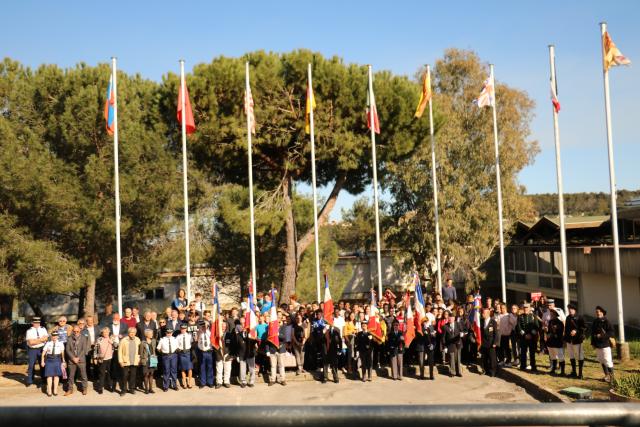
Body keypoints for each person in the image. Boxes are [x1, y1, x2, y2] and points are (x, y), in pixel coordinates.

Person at [591, 305, 615, 383]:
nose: (597, 313)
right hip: (598, 344)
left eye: (599, 312)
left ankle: (612, 378)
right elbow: (592, 333)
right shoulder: (595, 321)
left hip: (605, 344)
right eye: (596, 312)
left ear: (602, 313)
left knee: (608, 360)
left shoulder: (607, 321)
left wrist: (602, 335)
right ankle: (606, 375)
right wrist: (593, 343)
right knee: (601, 360)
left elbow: (611, 332)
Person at [65, 325, 90, 395]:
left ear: (80, 331)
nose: (76, 332)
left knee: (83, 375)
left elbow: (84, 349)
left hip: (81, 359)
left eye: (77, 331)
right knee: (70, 376)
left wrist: (78, 358)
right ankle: (70, 389)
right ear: (73, 331)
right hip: (71, 360)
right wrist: (73, 358)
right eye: (74, 331)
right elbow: (67, 350)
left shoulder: (83, 338)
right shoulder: (69, 338)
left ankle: (84, 389)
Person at [563, 303, 586, 379]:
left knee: (580, 356)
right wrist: (566, 339)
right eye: (569, 309)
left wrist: (576, 331)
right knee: (571, 356)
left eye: (571, 309)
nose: (570, 310)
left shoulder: (580, 317)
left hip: (577, 340)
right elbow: (566, 329)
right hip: (569, 340)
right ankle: (574, 372)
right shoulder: (568, 318)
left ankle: (580, 374)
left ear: (575, 310)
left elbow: (584, 328)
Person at [516, 303, 540, 372]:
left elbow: (537, 327)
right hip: (523, 338)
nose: (525, 309)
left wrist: (531, 335)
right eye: (524, 308)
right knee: (523, 352)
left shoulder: (533, 316)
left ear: (530, 308)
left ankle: (533, 366)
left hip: (532, 338)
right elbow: (519, 327)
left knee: (532, 353)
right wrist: (524, 335)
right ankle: (523, 366)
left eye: (527, 308)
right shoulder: (520, 317)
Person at [25, 317, 48, 387]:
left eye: (38, 322)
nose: (37, 324)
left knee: (42, 364)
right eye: (35, 322)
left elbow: (46, 338)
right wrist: (41, 340)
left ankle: (44, 380)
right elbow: (31, 342)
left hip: (41, 348)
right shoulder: (29, 331)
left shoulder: (43, 329)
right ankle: (30, 380)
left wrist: (36, 340)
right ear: (32, 323)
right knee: (31, 365)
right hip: (32, 350)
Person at [41, 331, 65, 397]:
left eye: (56, 336)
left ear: (57, 336)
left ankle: (55, 390)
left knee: (56, 375)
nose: (54, 337)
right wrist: (42, 361)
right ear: (51, 336)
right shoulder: (48, 343)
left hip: (57, 359)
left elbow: (62, 353)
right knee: (49, 376)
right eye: (53, 336)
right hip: (49, 360)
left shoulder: (60, 343)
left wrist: (63, 361)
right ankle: (49, 390)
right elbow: (43, 353)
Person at [118, 327, 141, 395]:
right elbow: (120, 351)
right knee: (125, 376)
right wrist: (120, 361)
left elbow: (139, 351)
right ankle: (124, 390)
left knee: (133, 376)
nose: (132, 334)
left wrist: (139, 360)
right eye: (131, 332)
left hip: (134, 361)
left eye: (133, 332)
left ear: (135, 333)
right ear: (128, 333)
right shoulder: (123, 340)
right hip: (126, 361)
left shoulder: (137, 339)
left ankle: (132, 389)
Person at [93, 327, 115, 394]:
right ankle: (100, 388)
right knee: (102, 374)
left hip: (110, 358)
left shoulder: (111, 339)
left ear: (109, 332)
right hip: (102, 359)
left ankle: (109, 386)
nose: (105, 333)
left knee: (109, 373)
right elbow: (96, 349)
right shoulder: (99, 339)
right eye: (104, 332)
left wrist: (112, 342)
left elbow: (117, 346)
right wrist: (95, 358)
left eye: (107, 332)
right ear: (102, 333)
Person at [238, 318, 258, 387]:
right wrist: (237, 355)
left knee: (251, 368)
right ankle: (243, 381)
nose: (243, 325)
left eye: (244, 323)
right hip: (242, 354)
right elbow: (237, 345)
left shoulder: (251, 333)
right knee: (242, 369)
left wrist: (254, 337)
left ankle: (251, 381)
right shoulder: (238, 334)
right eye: (242, 324)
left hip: (250, 353)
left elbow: (256, 341)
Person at [480, 308, 499, 377]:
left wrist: (495, 342)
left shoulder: (493, 322)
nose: (482, 314)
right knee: (484, 358)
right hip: (484, 342)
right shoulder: (481, 321)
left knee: (492, 358)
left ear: (487, 314)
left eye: (483, 313)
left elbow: (496, 333)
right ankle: (486, 370)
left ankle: (493, 371)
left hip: (491, 342)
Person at [546, 308, 565, 376]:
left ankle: (562, 371)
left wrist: (553, 334)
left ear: (556, 315)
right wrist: (548, 334)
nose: (551, 315)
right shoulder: (550, 322)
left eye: (552, 314)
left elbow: (560, 333)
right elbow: (548, 331)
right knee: (552, 356)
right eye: (551, 314)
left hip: (557, 342)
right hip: (550, 342)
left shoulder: (560, 323)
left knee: (560, 357)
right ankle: (553, 369)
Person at [196, 320, 214, 388]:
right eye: (202, 326)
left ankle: (210, 382)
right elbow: (196, 339)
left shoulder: (209, 333)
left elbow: (212, 338)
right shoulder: (199, 333)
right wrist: (200, 331)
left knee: (210, 367)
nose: (203, 327)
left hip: (209, 352)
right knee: (202, 367)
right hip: (201, 352)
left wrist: (206, 328)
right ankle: (202, 382)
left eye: (205, 326)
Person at [444, 313, 463, 377]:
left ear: (454, 318)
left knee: (458, 358)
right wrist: (445, 346)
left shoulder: (458, 324)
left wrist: (462, 334)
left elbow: (462, 330)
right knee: (452, 358)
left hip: (458, 343)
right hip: (450, 344)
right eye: (449, 318)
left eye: (451, 318)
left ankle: (459, 372)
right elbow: (443, 338)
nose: (450, 319)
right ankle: (452, 372)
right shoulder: (445, 326)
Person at [215, 321, 233, 388]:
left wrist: (231, 355)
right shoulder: (216, 335)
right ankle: (219, 382)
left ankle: (226, 381)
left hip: (227, 354)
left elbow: (232, 346)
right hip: (219, 354)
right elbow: (214, 345)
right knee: (219, 369)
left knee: (227, 369)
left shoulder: (229, 335)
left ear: (226, 327)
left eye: (225, 326)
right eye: (222, 326)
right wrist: (217, 353)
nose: (223, 327)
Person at [139, 329, 157, 394]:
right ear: (147, 334)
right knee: (146, 374)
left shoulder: (154, 341)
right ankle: (146, 389)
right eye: (150, 334)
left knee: (152, 374)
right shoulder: (142, 343)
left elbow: (155, 349)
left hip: (153, 359)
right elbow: (141, 353)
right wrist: (142, 359)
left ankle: (150, 389)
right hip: (146, 360)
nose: (152, 334)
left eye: (152, 333)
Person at [176, 324, 194, 388]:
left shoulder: (189, 335)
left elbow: (192, 343)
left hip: (188, 352)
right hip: (181, 353)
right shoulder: (178, 336)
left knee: (189, 368)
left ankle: (190, 382)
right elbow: (176, 345)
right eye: (182, 329)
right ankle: (184, 383)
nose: (183, 330)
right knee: (182, 369)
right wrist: (179, 350)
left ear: (186, 329)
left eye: (184, 329)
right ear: (180, 329)